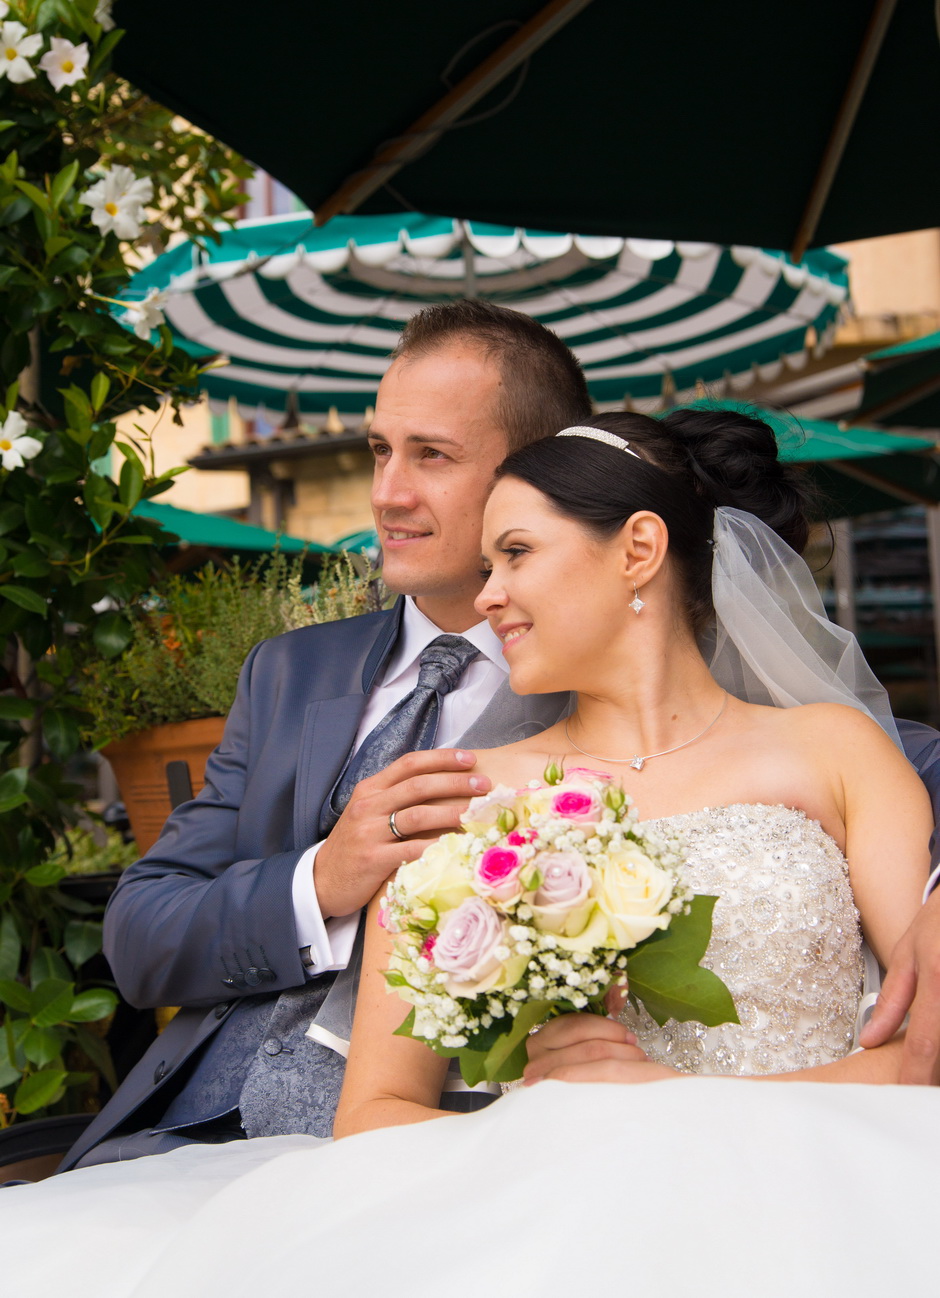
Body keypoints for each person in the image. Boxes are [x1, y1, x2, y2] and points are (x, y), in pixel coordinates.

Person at [6, 407, 940, 1298]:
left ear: (640, 550)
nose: (487, 596)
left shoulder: (837, 750)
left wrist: (677, 1104)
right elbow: (373, 1111)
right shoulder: (459, 796)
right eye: (488, 562)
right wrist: (538, 1113)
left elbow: (923, 1044)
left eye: (517, 555)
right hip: (563, 1211)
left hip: (830, 1181)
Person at [59, 298, 594, 1170]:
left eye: (433, 456)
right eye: (382, 449)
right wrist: (320, 884)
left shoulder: (601, 686)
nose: (387, 492)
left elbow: (860, 751)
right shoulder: (289, 672)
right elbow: (140, 935)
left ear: (536, 478)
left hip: (427, 1156)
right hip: (188, 1131)